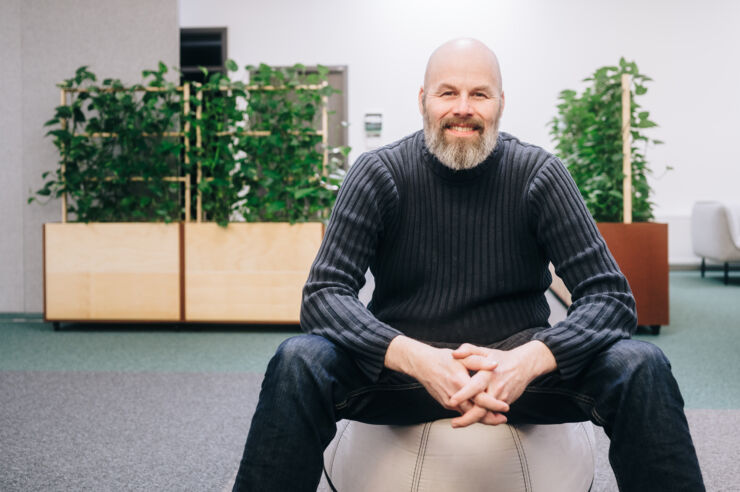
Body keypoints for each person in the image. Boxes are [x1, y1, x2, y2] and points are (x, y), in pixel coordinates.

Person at [233, 38, 704, 491]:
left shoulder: (538, 173)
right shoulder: (379, 173)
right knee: (298, 359)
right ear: (423, 100)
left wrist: (527, 362)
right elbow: (324, 296)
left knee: (641, 363)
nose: (463, 107)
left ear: (501, 102)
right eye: (447, 93)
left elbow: (610, 297)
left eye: (479, 93)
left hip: (520, 373)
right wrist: (417, 358)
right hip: (404, 370)